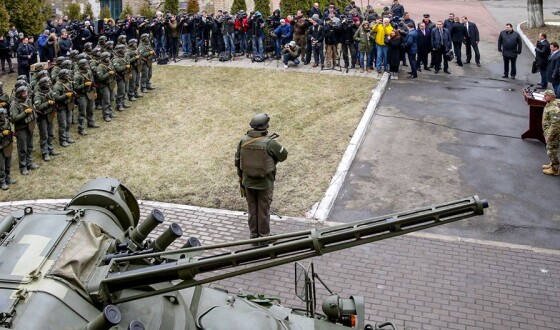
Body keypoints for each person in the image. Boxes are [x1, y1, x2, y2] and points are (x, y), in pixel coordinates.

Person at [235, 113, 288, 241]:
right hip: (264, 183)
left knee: (252, 209)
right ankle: (264, 237)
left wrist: (241, 178)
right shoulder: (270, 143)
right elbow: (283, 155)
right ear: (266, 126)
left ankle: (254, 235)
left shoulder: (243, 140)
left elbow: (237, 161)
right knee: (263, 209)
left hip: (247, 181)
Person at [10, 86, 38, 175]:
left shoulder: (28, 100)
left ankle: (29, 163)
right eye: (23, 93)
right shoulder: (14, 105)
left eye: (26, 93)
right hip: (21, 128)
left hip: (29, 126)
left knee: (29, 146)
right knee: (22, 148)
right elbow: (14, 119)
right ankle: (23, 167)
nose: (25, 95)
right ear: (19, 94)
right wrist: (25, 113)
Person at [33, 77, 60, 161]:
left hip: (50, 115)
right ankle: (45, 152)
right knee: (44, 135)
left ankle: (51, 148)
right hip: (43, 117)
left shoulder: (50, 91)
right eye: (46, 83)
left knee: (51, 133)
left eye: (48, 83)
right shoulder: (37, 95)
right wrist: (47, 103)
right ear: (42, 85)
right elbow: (38, 107)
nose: (48, 84)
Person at [74, 59, 98, 136]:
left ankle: (91, 122)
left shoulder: (89, 72)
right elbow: (75, 87)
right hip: (82, 95)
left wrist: (94, 91)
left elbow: (93, 83)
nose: (87, 66)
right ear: (81, 66)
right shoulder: (77, 75)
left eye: (87, 64)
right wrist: (84, 84)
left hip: (90, 92)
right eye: (85, 65)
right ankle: (81, 128)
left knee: (91, 109)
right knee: (82, 113)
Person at [53, 69, 76, 145]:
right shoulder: (57, 86)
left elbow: (71, 90)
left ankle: (67, 136)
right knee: (63, 124)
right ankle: (62, 140)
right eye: (66, 75)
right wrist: (65, 95)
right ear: (62, 76)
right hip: (61, 107)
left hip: (68, 105)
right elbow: (56, 98)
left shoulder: (68, 83)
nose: (68, 76)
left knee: (69, 122)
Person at [542, 90, 560, 175]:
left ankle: (555, 169)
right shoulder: (551, 103)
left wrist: (549, 135)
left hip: (552, 133)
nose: (544, 97)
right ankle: (552, 164)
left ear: (550, 97)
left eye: (546, 96)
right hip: (549, 131)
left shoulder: (554, 109)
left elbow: (555, 125)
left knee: (551, 151)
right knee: (551, 150)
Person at [0, 106, 15, 190]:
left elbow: (9, 129)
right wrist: (2, 134)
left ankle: (7, 178)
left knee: (8, 163)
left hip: (7, 144)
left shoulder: (6, 121)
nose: (5, 116)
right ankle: (2, 182)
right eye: (3, 114)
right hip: (0, 148)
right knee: (1, 166)